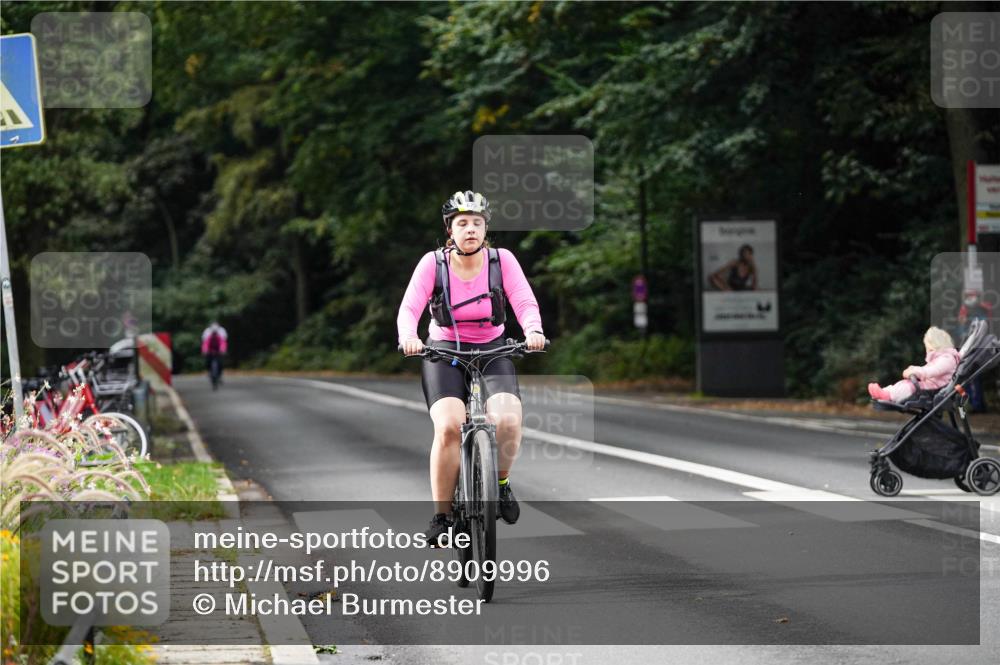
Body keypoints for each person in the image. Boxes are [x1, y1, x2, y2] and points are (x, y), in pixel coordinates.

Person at [397, 191, 546, 547]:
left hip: (494, 348)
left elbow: (523, 300)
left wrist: (534, 330)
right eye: (462, 223)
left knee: (508, 419)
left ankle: (502, 483)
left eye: (477, 223)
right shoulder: (433, 264)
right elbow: (409, 309)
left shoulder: (502, 260)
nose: (470, 230)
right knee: (448, 427)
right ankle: (442, 515)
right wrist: (409, 337)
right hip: (444, 350)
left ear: (485, 228)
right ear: (450, 230)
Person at [867, 327, 959, 403]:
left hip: (934, 390)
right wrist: (914, 369)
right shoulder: (942, 358)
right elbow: (926, 370)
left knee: (908, 387)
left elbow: (930, 371)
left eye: (928, 348)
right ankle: (885, 392)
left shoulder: (947, 359)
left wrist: (915, 371)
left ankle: (887, 395)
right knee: (904, 384)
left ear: (934, 345)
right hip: (932, 387)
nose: (927, 351)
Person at [957, 289, 992, 412]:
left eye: (971, 296)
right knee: (969, 377)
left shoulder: (982, 310)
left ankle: (977, 405)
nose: (969, 299)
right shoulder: (965, 310)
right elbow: (961, 331)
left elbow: (981, 329)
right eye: (968, 296)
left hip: (977, 348)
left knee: (973, 377)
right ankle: (975, 404)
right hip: (968, 348)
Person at [200, 321, 229, 389]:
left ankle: (220, 375)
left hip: (218, 352)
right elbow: (205, 343)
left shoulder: (221, 333)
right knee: (207, 362)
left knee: (220, 363)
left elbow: (223, 343)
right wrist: (205, 351)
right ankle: (209, 372)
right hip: (210, 352)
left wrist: (223, 350)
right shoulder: (208, 334)